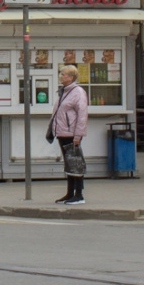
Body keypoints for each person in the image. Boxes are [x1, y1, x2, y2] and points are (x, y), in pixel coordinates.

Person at [52, 64, 89, 205]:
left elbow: (82, 115)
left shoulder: (78, 92)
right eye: (61, 74)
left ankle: (79, 195)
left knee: (75, 163)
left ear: (71, 77)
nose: (61, 76)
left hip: (71, 133)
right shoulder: (64, 92)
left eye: (64, 74)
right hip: (62, 132)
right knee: (69, 163)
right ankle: (69, 193)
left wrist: (78, 135)